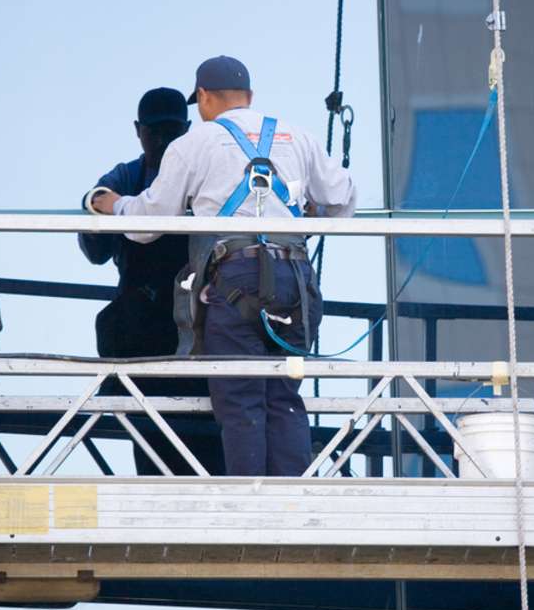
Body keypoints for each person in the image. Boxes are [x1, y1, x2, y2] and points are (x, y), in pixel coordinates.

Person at [92, 56, 356, 476]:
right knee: (284, 393)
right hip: (294, 276)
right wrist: (311, 212)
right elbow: (342, 197)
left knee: (240, 395)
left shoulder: (196, 144)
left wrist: (112, 204)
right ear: (250, 97)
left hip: (236, 277)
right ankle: (291, 499)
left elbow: (148, 222)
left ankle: (250, 504)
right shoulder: (296, 136)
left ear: (203, 98)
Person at [80, 86, 224, 475]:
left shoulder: (207, 176)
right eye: (154, 132)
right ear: (137, 131)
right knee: (152, 449)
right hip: (145, 332)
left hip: (200, 331)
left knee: (210, 450)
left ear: (188, 128)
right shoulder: (128, 175)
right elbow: (93, 245)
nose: (162, 141)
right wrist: (98, 206)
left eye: (172, 131)